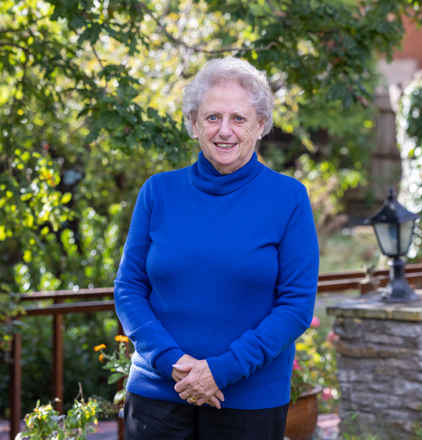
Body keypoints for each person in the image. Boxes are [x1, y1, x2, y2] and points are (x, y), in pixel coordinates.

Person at [114, 56, 319, 440]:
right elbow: (128, 290)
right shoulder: (158, 192)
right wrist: (172, 361)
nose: (225, 131)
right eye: (212, 118)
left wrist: (219, 370)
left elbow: (295, 306)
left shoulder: (288, 198)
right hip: (158, 396)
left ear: (260, 126)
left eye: (238, 119)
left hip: (249, 402)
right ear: (194, 124)